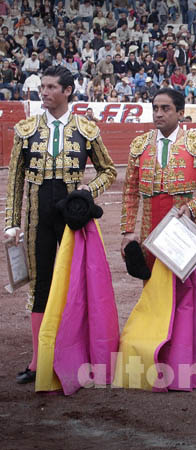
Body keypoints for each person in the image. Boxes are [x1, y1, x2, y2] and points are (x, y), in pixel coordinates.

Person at [4, 66, 117, 385]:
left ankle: (74, 354)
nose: (44, 91)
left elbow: (108, 171)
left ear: (67, 91)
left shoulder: (86, 129)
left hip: (72, 216)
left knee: (74, 284)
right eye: (42, 86)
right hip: (38, 214)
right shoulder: (26, 129)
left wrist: (85, 193)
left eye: (51, 87)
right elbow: (14, 180)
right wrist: (12, 222)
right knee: (41, 284)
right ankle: (39, 360)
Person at [116, 88, 196, 391]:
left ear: (180, 112)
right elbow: (130, 191)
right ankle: (159, 356)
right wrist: (128, 231)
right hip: (151, 228)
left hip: (179, 227)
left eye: (165, 108)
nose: (159, 114)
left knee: (184, 294)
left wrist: (191, 209)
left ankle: (183, 360)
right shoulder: (140, 145)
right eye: (155, 108)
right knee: (153, 293)